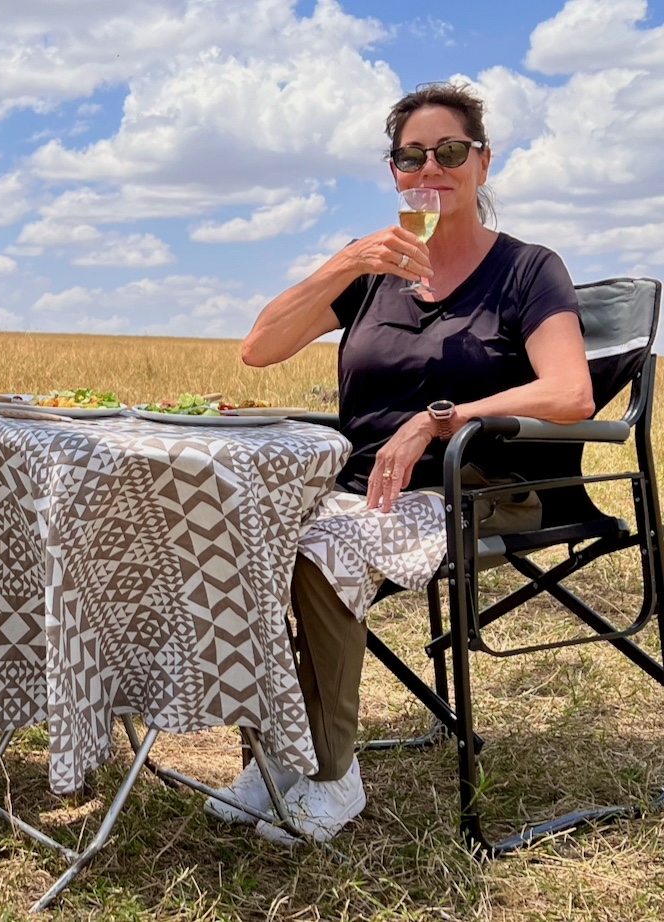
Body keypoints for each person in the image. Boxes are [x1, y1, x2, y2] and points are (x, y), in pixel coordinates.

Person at [206, 82, 594, 844]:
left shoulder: (525, 269)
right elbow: (259, 350)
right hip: (360, 486)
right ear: (393, 172)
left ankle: (330, 772)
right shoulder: (375, 275)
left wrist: (440, 419)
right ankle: (278, 752)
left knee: (320, 550)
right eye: (410, 156)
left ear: (482, 163)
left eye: (449, 152)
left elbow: (571, 390)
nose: (430, 170)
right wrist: (343, 264)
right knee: (230, 536)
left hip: (476, 487)